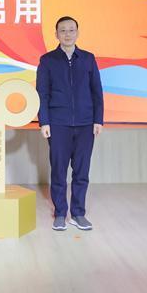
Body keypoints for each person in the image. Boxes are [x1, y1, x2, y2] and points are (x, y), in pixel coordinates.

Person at [36, 16, 104, 231]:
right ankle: (60, 213)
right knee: (59, 170)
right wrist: (44, 121)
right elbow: (42, 94)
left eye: (71, 30)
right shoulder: (47, 60)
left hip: (85, 124)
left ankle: (78, 213)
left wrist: (98, 119)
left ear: (77, 33)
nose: (67, 34)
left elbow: (97, 92)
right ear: (56, 34)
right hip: (58, 124)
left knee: (81, 171)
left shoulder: (88, 59)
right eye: (63, 30)